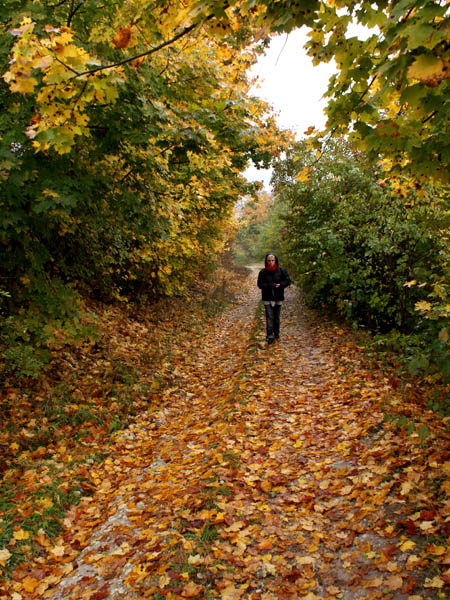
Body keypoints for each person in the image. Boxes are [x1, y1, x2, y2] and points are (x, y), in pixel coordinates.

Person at [257, 253, 291, 344]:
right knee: (269, 317)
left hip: (278, 297)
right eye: (269, 260)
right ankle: (269, 336)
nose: (271, 262)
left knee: (276, 317)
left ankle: (276, 333)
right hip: (267, 297)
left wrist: (281, 285)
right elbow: (259, 285)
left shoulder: (281, 270)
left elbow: (288, 281)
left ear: (275, 261)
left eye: (272, 260)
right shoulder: (262, 272)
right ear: (266, 261)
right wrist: (269, 285)